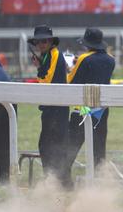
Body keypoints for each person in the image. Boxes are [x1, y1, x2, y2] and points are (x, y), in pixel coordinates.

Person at [63, 28, 115, 188]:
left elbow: (70, 81)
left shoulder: (84, 59)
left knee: (72, 145)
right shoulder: (111, 59)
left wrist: (69, 67)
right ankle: (98, 183)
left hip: (84, 109)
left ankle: (64, 179)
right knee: (99, 148)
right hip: (102, 110)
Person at [28, 25, 69, 184]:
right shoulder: (47, 56)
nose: (41, 44)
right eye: (38, 42)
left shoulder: (54, 55)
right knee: (50, 144)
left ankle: (55, 180)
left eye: (44, 41)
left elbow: (46, 80)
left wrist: (39, 69)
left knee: (49, 145)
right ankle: (55, 179)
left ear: (51, 41)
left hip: (56, 108)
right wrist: (40, 66)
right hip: (52, 107)